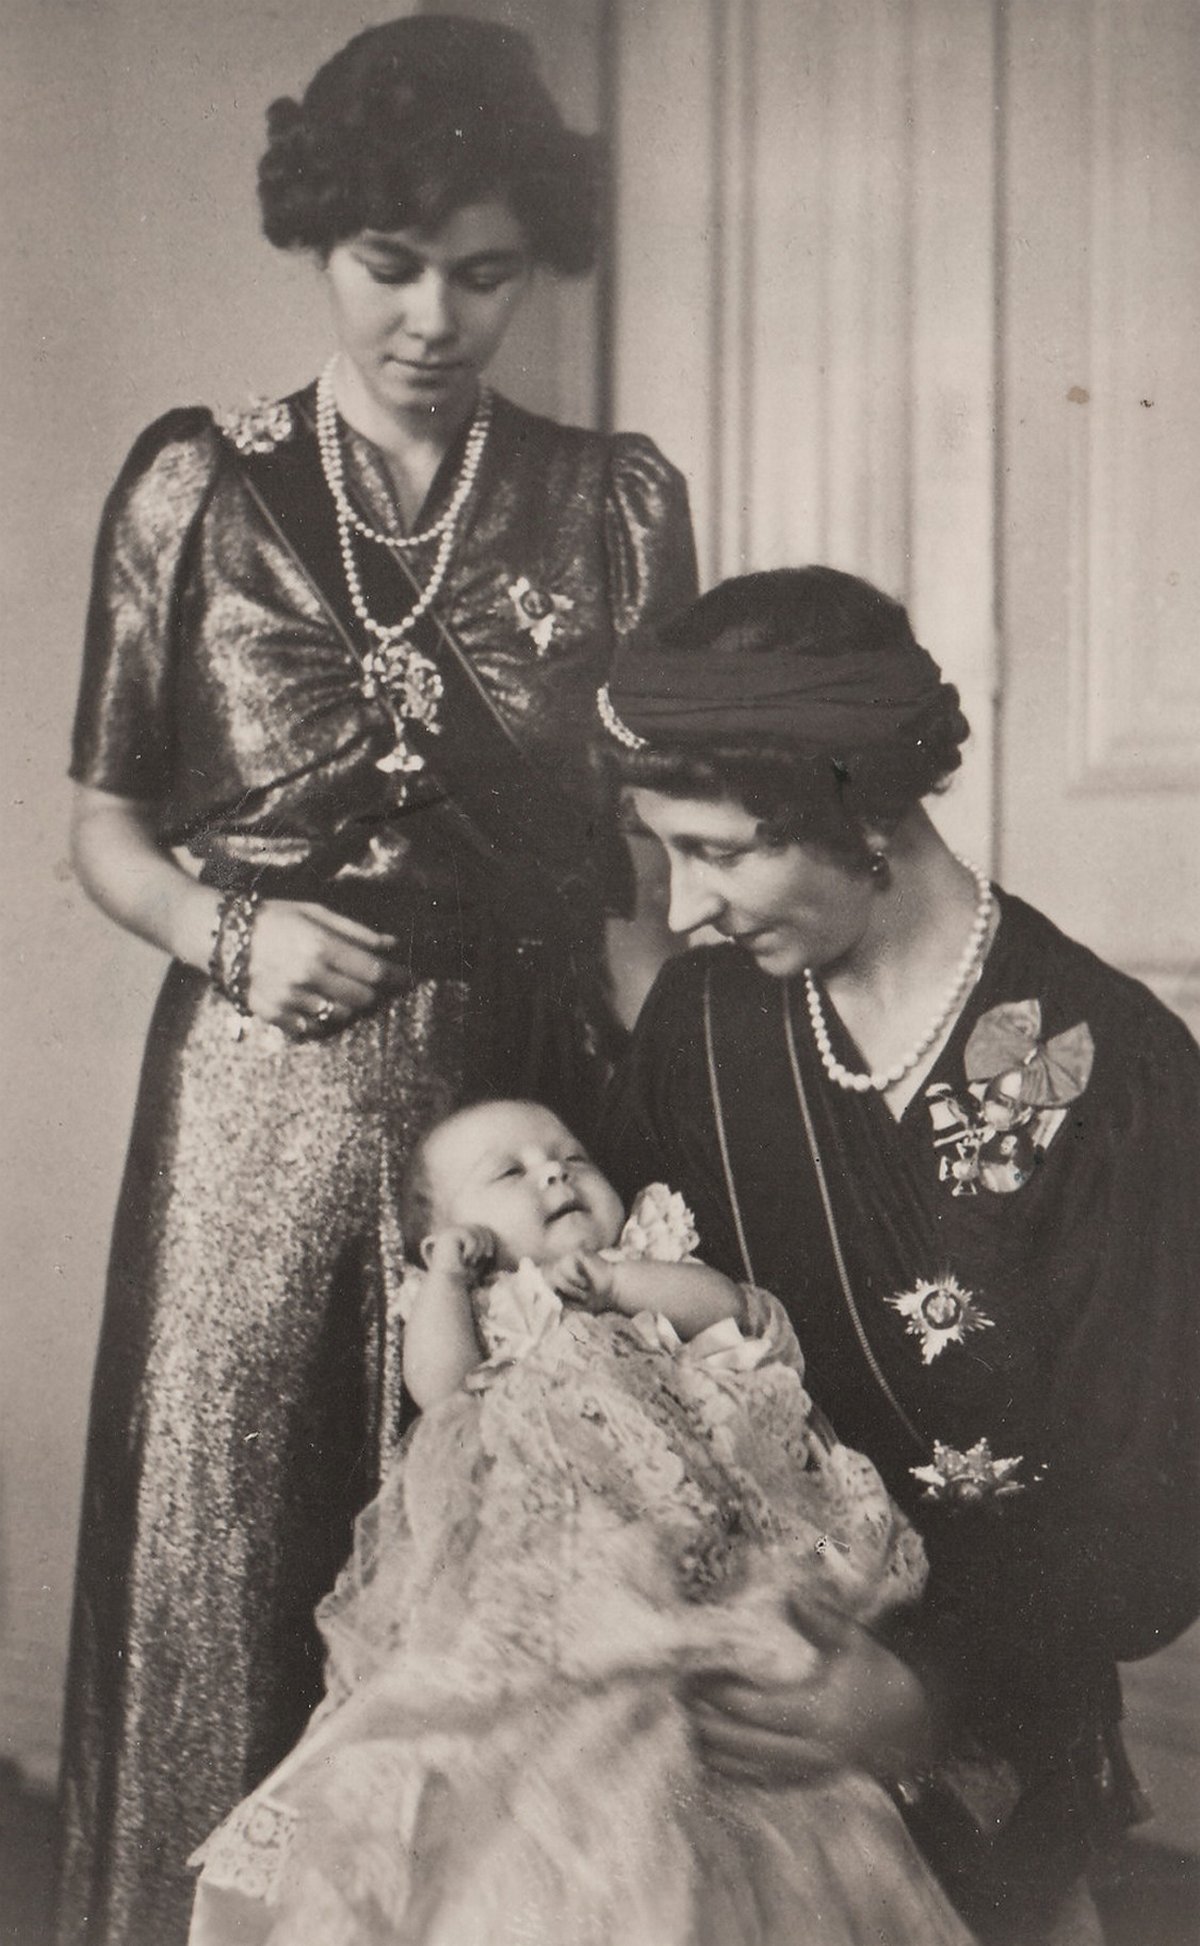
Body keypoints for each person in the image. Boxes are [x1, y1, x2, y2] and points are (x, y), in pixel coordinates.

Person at [56, 19, 697, 1945]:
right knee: (235, 1565)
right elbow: (104, 830)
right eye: (388, 264)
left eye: (482, 273)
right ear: (321, 240)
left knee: (511, 1585)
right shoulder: (196, 483)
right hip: (259, 1103)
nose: (432, 318)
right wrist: (230, 934)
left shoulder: (615, 504)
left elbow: (646, 871)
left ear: (536, 263)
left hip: (524, 1091)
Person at [594, 567, 1200, 1946]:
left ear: (863, 807)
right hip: (712, 1705)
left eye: (718, 851)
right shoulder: (705, 1020)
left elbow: (1154, 1518)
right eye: (662, 850)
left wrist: (923, 1692)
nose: (683, 907)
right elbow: (616, 1351)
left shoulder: (1116, 1075)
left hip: (989, 1724)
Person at [188, 1096, 972, 1946]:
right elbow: (441, 1388)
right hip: (576, 1535)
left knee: (821, 1573)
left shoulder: (649, 1265)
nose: (554, 1173)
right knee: (547, 1712)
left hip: (748, 1498)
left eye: (571, 1156)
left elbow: (733, 1311)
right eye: (510, 1172)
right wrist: (447, 1276)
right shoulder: (491, 1307)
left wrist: (619, 1284)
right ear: (455, 1232)